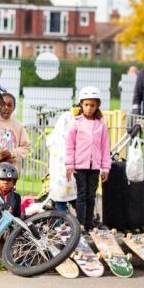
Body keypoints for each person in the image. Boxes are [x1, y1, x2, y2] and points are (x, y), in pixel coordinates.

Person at [65, 86, 111, 232]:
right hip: (80, 166)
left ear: (97, 105)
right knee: (82, 195)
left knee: (92, 196)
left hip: (95, 167)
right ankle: (80, 224)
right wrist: (69, 165)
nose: (89, 108)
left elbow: (105, 147)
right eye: (86, 105)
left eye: (92, 105)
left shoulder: (101, 124)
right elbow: (69, 145)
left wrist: (106, 168)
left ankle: (89, 224)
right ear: (81, 104)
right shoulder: (76, 122)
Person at [46, 110, 77, 212]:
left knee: (60, 203)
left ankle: (60, 225)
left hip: (57, 181)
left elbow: (48, 144)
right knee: (76, 201)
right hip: (71, 179)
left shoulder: (53, 138)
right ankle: (84, 221)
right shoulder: (74, 138)